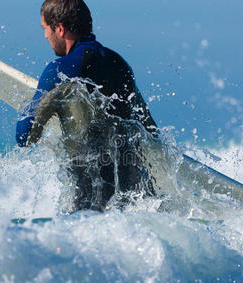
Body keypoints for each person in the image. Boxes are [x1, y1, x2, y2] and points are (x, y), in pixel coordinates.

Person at [16, 0, 159, 211]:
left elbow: (24, 137)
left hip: (90, 199)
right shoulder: (119, 63)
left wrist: (35, 103)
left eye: (45, 28)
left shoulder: (60, 71)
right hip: (135, 197)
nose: (45, 36)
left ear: (60, 28)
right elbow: (150, 129)